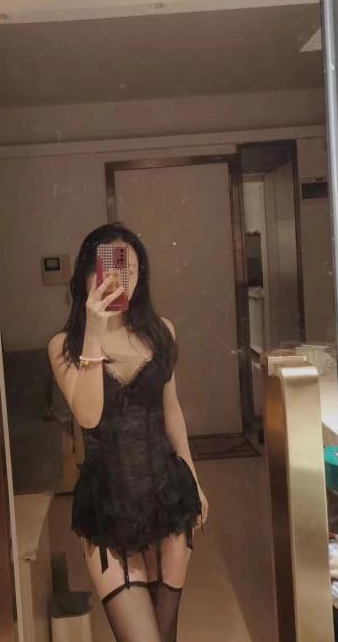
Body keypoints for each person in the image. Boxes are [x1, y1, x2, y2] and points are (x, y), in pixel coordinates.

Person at [48, 222, 209, 641]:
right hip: (108, 510)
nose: (122, 279)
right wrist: (94, 332)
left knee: (166, 633)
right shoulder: (64, 346)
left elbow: (170, 408)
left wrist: (193, 478)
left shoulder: (161, 332)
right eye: (111, 268)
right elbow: (88, 416)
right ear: (88, 274)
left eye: (131, 270)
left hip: (168, 498)